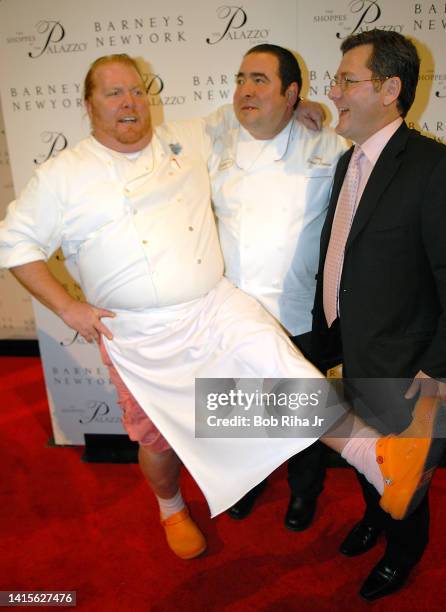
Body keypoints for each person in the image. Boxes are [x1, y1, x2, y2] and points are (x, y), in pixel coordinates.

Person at [0, 54, 438, 562]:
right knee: (157, 438)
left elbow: (258, 110)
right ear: (89, 104)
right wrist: (66, 307)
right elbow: (16, 244)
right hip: (137, 333)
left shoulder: (187, 137)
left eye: (137, 91)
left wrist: (306, 106)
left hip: (212, 303)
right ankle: (171, 506)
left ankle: (375, 454)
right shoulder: (62, 174)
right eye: (113, 93)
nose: (129, 103)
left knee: (284, 369)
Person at [312, 30, 446, 601]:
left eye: (347, 80)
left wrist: (434, 370)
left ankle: (403, 551)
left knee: (402, 473)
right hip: (349, 345)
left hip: (406, 362)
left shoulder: (433, 167)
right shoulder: (350, 163)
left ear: (390, 88)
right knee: (362, 451)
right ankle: (374, 519)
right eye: (336, 79)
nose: (334, 90)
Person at [209, 44, 347, 530]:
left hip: (296, 314)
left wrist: (318, 111)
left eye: (260, 80)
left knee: (301, 418)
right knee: (237, 413)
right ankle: (245, 483)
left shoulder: (327, 147)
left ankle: (304, 492)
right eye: (241, 78)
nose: (246, 90)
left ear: (291, 93)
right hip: (230, 315)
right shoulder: (216, 141)